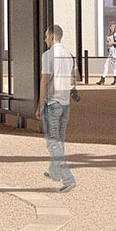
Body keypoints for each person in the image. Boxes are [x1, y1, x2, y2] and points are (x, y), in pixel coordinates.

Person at [39, 24, 76, 192]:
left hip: (53, 102)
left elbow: (45, 80)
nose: (46, 40)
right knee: (60, 139)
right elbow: (76, 76)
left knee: (53, 142)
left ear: (52, 37)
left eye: (47, 37)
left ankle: (68, 179)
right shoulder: (68, 55)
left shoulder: (48, 55)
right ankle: (54, 172)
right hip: (65, 102)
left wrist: (40, 105)